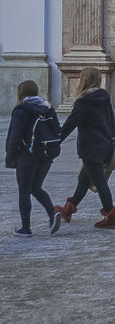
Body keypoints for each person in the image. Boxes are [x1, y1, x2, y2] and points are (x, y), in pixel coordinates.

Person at [56, 67, 115, 228]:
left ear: (83, 80)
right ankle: (68, 210)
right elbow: (112, 123)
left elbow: (70, 124)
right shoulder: (104, 97)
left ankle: (110, 215)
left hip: (90, 147)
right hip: (105, 144)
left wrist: (55, 141)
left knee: (99, 181)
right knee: (84, 180)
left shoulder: (84, 101)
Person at [5, 80, 62, 237]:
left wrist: (10, 157)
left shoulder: (20, 110)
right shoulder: (48, 109)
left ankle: (26, 228)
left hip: (26, 156)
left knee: (24, 191)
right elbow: (57, 131)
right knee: (35, 187)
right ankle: (52, 213)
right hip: (45, 156)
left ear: (20, 93)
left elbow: (15, 136)